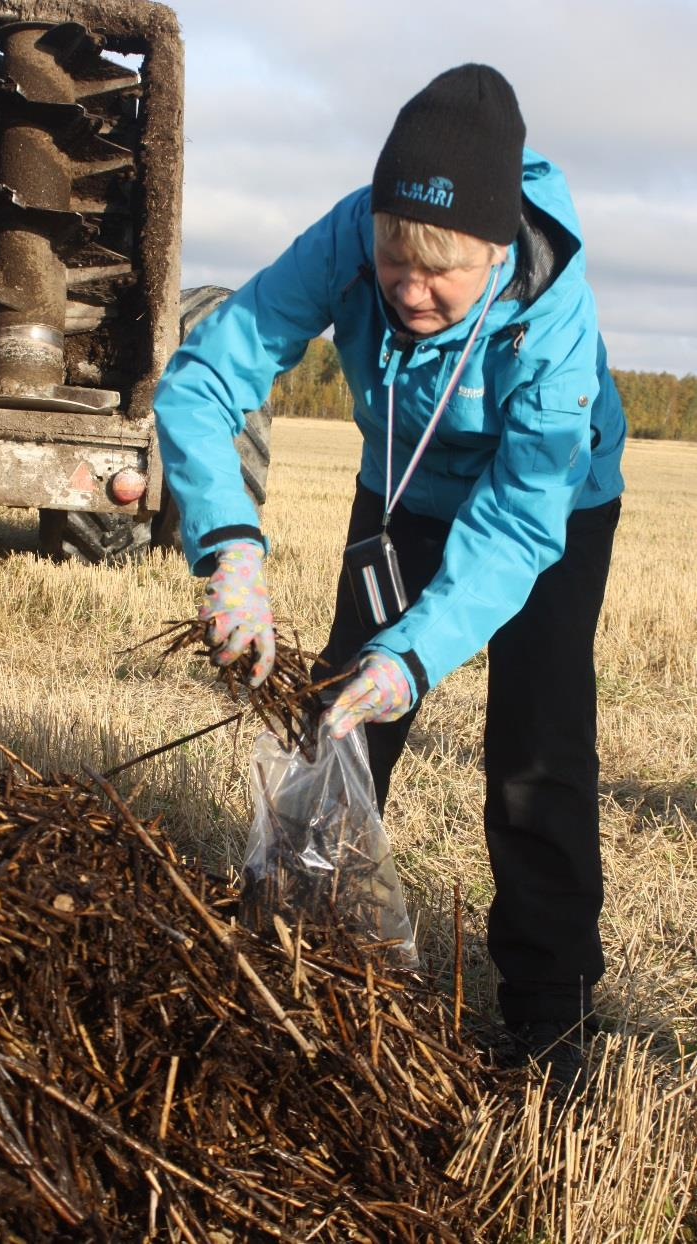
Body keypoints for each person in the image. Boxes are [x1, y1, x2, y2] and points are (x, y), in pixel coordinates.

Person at [153, 64, 626, 1088]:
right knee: (339, 716)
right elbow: (201, 382)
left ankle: (552, 1023)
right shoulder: (352, 233)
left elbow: (515, 525)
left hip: (548, 507)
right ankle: (293, 953)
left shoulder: (555, 317)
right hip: (402, 482)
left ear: (498, 255)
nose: (408, 287)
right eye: (394, 258)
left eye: (440, 271)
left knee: (536, 749)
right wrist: (229, 545)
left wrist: (414, 654)